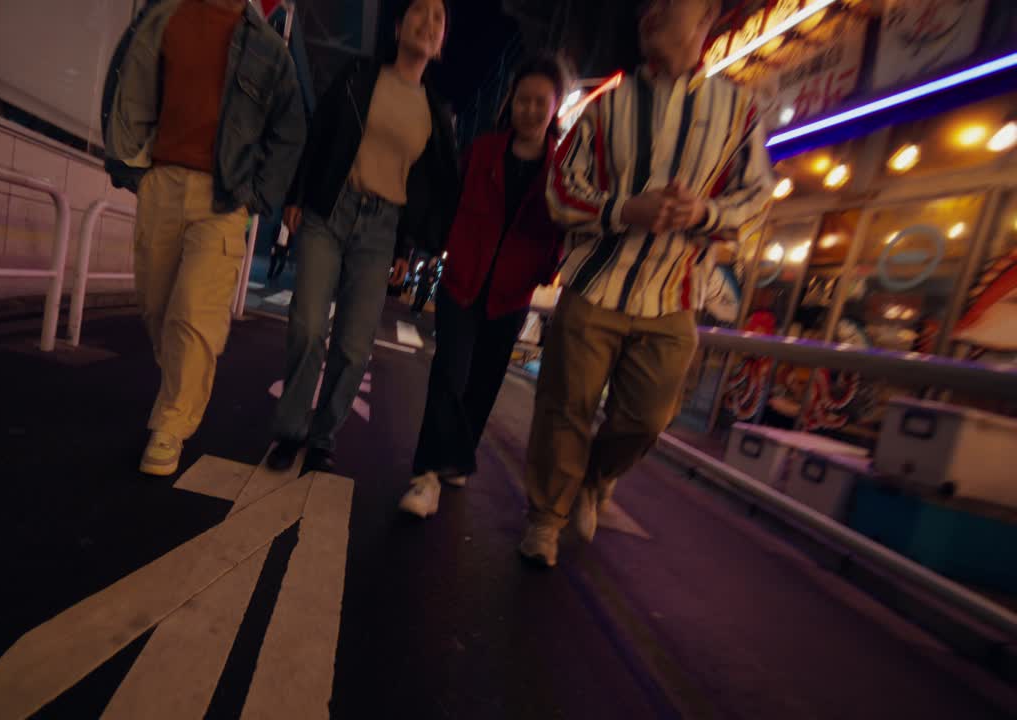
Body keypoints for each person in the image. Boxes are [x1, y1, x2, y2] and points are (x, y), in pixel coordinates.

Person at [519, 0, 774, 566]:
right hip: (594, 284)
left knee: (649, 416)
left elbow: (757, 200)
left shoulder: (738, 111)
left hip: (675, 294)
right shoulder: (605, 107)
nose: (650, 12)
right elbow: (561, 192)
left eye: (667, 4)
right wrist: (623, 210)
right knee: (566, 406)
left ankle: (595, 476)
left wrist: (704, 214)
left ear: (707, 19)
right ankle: (545, 517)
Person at [103, 0, 306, 476]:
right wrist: (130, 162)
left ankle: (171, 424)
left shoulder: (268, 48)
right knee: (157, 307)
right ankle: (181, 385)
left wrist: (256, 195)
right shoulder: (163, 14)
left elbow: (290, 130)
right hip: (161, 180)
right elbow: (127, 81)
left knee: (193, 312)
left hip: (222, 199)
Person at [266, 0, 460, 475]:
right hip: (330, 210)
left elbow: (430, 190)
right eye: (420, 11)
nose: (428, 22)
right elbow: (321, 132)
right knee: (309, 326)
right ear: (398, 27)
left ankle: (322, 438)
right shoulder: (359, 75)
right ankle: (290, 431)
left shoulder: (436, 115)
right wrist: (298, 192)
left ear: (441, 44)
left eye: (438, 18)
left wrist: (408, 246)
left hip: (382, 228)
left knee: (354, 347)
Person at [398, 55, 569, 518]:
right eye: (523, 99)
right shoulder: (483, 150)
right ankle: (426, 475)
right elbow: (451, 201)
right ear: (510, 102)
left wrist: (546, 269)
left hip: (512, 291)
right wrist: (437, 244)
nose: (530, 109)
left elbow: (565, 228)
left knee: (486, 379)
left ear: (554, 109)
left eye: (541, 102)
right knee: (449, 372)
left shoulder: (562, 168)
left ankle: (456, 457)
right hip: (464, 280)